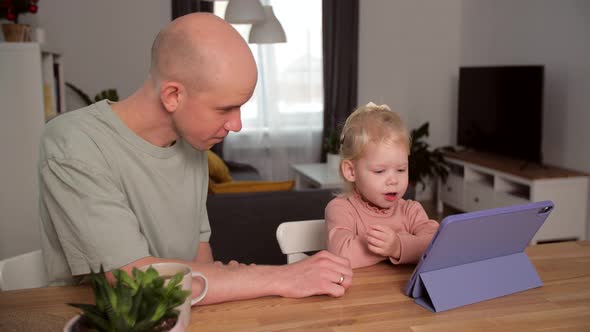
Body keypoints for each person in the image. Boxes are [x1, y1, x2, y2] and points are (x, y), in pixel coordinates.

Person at [38, 13, 352, 305]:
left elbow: (201, 261)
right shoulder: (73, 144)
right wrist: (283, 276)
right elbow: (131, 280)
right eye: (225, 109)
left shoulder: (193, 145)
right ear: (173, 95)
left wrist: (229, 279)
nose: (237, 125)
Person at [325, 102, 439, 269]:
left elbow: (435, 245)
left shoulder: (411, 210)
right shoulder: (341, 209)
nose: (393, 180)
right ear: (351, 171)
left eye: (401, 169)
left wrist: (398, 246)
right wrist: (385, 247)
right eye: (380, 171)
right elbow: (340, 254)